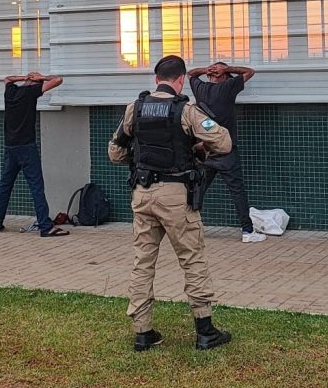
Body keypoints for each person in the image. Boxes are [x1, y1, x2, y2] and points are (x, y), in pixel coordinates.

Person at [108, 55, 233, 352]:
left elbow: (115, 152)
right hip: (176, 196)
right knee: (192, 260)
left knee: (142, 263)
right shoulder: (185, 110)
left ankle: (143, 332)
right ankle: (205, 331)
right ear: (180, 80)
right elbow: (224, 142)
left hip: (142, 194)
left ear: (156, 79)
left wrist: (140, 161)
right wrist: (197, 147)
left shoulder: (134, 108)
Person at [187, 61, 263, 243]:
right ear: (224, 76)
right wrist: (227, 70)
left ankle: (188, 230)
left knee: (197, 190)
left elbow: (190, 74)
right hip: (226, 151)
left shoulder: (200, 89)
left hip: (204, 151)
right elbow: (249, 71)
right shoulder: (228, 87)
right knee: (237, 191)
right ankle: (247, 231)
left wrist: (205, 69)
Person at [0, 71, 68, 236]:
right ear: (35, 85)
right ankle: (46, 227)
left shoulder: (10, 91)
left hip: (10, 147)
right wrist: (42, 78)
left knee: (5, 185)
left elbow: (7, 78)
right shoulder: (30, 93)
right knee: (36, 187)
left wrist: (25, 77)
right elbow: (58, 80)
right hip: (26, 147)